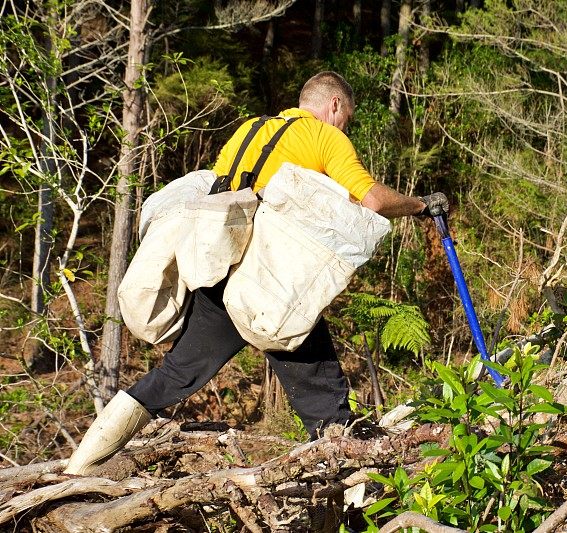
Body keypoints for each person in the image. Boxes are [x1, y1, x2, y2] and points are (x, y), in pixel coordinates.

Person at [64, 71, 449, 475]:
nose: (344, 125)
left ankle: (78, 468)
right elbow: (370, 200)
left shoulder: (251, 129)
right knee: (327, 406)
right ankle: (355, 506)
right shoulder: (325, 137)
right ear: (334, 105)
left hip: (217, 276)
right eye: (346, 117)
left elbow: (219, 192)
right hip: (271, 288)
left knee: (173, 376)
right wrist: (419, 206)